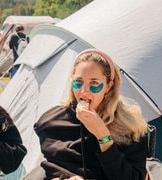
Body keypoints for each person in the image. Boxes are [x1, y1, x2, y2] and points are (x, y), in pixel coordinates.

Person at [34, 49, 149, 180]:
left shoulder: (130, 126)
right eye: (79, 81)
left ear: (108, 86)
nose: (84, 91)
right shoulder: (50, 122)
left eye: (94, 83)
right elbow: (51, 168)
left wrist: (103, 135)